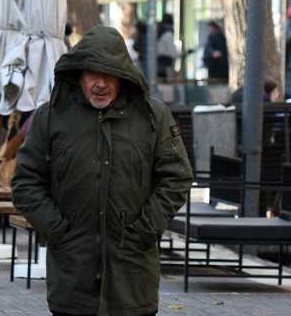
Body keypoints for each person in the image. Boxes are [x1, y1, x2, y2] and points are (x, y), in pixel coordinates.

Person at [11, 26, 192, 316]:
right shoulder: (50, 117)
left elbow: (177, 176)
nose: (101, 83)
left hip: (132, 280)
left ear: (124, 76)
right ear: (78, 74)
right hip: (72, 278)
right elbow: (25, 182)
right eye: (92, 74)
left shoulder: (153, 117)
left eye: (110, 74)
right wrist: (57, 231)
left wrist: (145, 229)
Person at [155, 14, 177, 79]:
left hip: (157, 63)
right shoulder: (168, 34)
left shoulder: (159, 32)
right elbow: (172, 53)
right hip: (166, 64)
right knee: (167, 84)